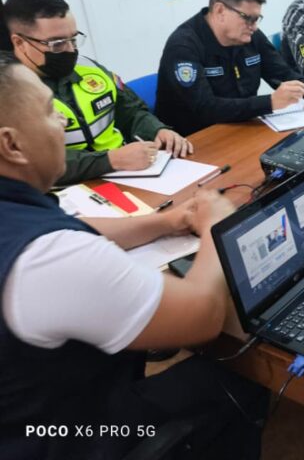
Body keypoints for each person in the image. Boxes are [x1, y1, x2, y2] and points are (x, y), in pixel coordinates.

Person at [0, 53, 268, 459]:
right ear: (11, 144)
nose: (63, 123)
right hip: (63, 434)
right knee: (238, 386)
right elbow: (202, 317)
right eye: (48, 113)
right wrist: (217, 228)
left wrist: (164, 222)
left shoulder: (20, 215)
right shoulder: (47, 258)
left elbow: (77, 228)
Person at [3, 0, 190, 185]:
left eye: (73, 39)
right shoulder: (9, 95)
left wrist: (158, 131)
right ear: (20, 42)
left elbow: (131, 112)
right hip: (66, 191)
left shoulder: (89, 68)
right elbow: (35, 161)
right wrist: (111, 160)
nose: (70, 50)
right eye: (57, 44)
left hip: (127, 177)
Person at [156, 0, 304, 136]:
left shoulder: (250, 35)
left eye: (257, 19)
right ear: (220, 11)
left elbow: (281, 72)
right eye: (248, 18)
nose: (254, 26)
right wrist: (269, 102)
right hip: (196, 142)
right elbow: (206, 109)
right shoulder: (183, 46)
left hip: (241, 129)